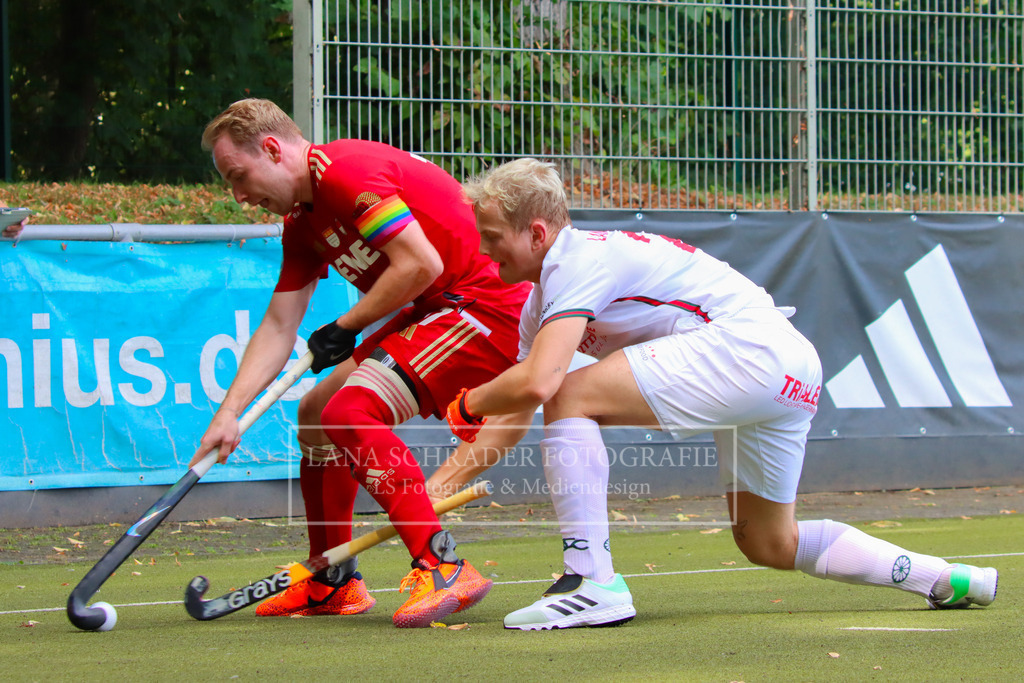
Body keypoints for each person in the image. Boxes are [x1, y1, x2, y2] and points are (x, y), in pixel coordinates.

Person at [444, 158, 999, 630]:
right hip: (789, 369)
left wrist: (467, 403)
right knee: (770, 544)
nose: (486, 253)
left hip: (749, 349)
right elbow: (519, 407)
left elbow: (542, 386)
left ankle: (591, 581)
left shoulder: (576, 260)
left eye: (493, 238)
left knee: (570, 394)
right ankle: (946, 578)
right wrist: (429, 495)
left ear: (537, 233)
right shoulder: (541, 302)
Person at [190, 99, 530, 628]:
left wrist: (346, 328)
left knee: (350, 411)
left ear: (274, 149)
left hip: (481, 303)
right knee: (316, 413)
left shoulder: (345, 173)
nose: (238, 196)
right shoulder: (301, 221)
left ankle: (443, 566)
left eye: (239, 176)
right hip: (432, 305)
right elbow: (280, 325)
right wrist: (229, 413)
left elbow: (422, 263)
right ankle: (333, 582)